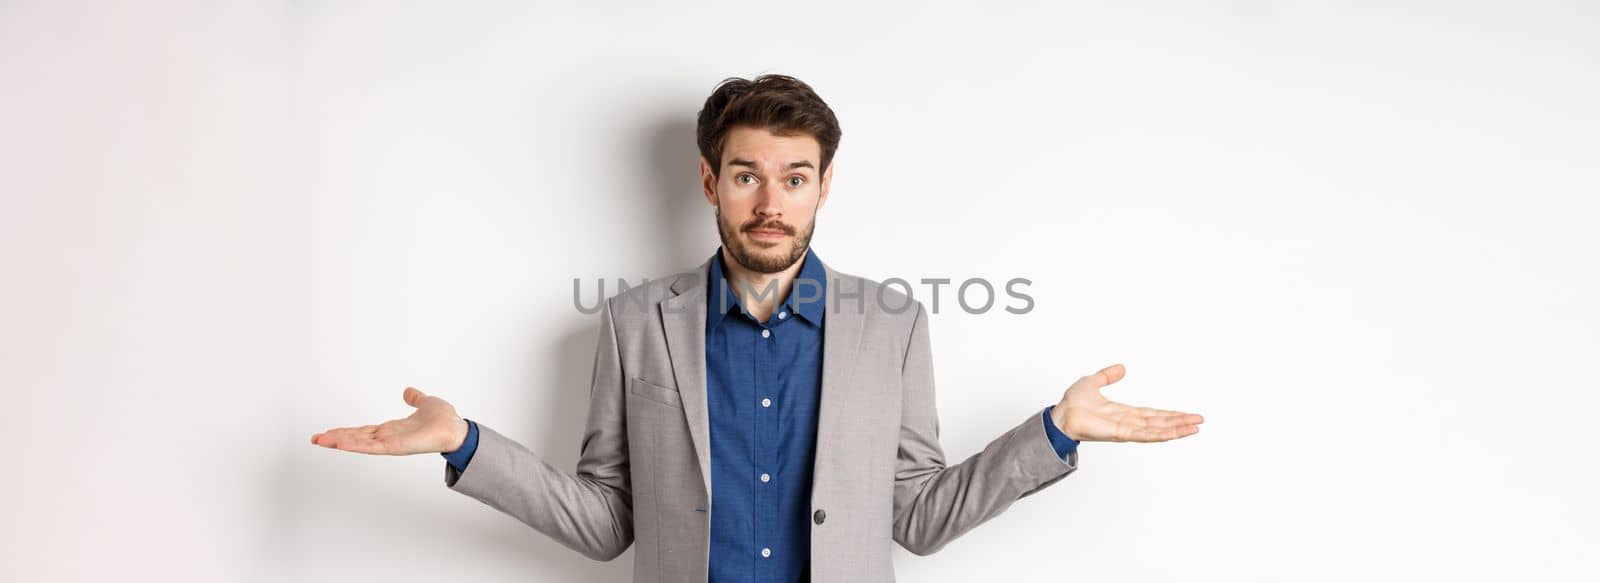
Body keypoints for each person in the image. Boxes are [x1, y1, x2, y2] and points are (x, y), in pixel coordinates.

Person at [310, 74, 1204, 583]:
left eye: (795, 177)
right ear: (709, 182)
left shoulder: (892, 323)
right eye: (746, 175)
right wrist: (466, 443)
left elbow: (919, 518)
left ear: (824, 185)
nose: (771, 203)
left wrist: (1053, 432)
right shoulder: (634, 323)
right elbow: (606, 521)